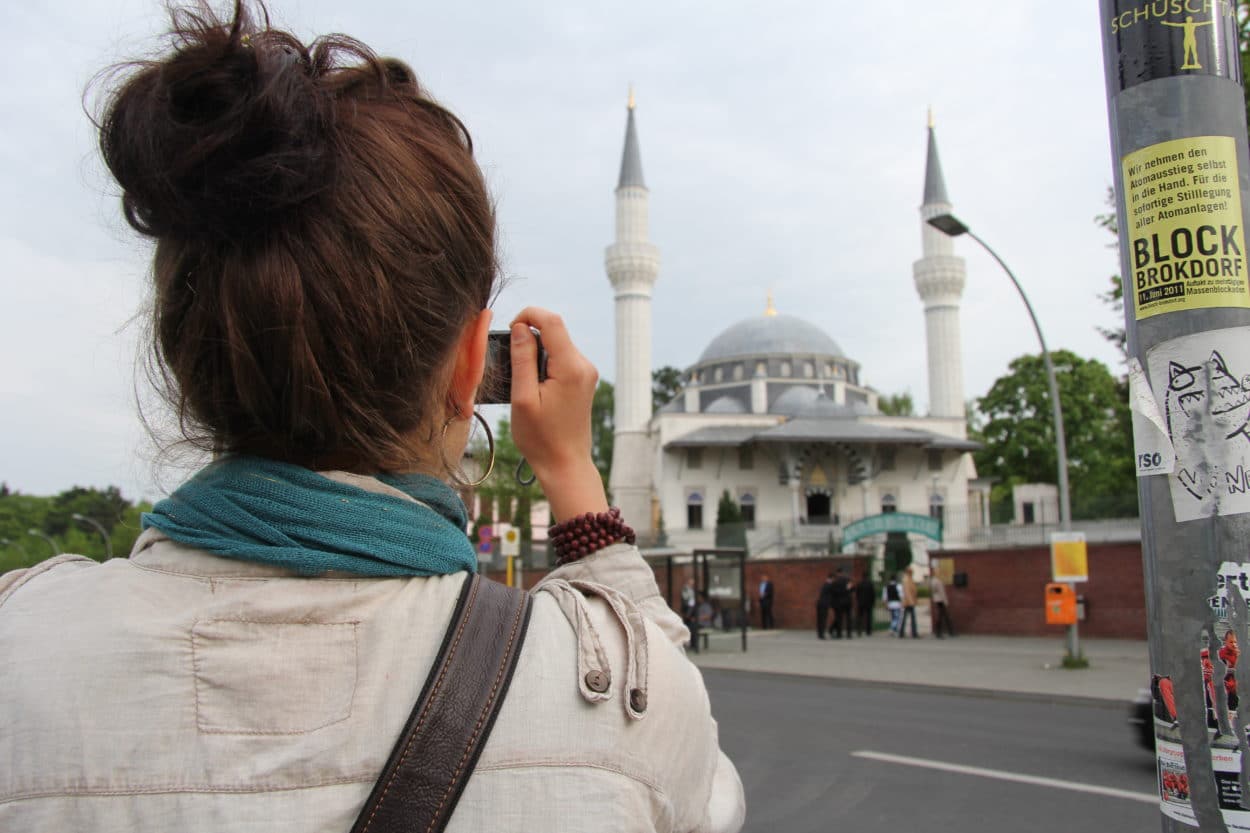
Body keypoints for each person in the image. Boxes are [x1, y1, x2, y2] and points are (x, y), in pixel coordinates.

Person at [0, 5, 744, 831]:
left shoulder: (19, 650)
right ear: (472, 364)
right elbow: (693, 777)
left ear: (186, 351)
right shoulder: (609, 706)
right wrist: (573, 476)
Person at [929, 567, 954, 638]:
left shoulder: (932, 581)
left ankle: (949, 631)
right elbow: (942, 592)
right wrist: (945, 601)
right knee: (942, 616)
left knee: (944, 615)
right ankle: (941, 632)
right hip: (941, 600)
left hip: (936, 599)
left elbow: (932, 591)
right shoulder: (938, 581)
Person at [829, 567, 853, 639]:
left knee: (839, 618)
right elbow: (852, 589)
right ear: (842, 573)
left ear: (837, 573)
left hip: (839, 602)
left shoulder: (835, 582)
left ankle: (839, 634)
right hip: (848, 601)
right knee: (849, 618)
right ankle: (849, 633)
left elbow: (833, 593)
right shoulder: (848, 580)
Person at [898, 569, 919, 638]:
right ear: (908, 572)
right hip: (908, 602)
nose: (912, 573)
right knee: (912, 618)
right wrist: (911, 602)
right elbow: (907, 592)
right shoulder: (907, 580)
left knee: (906, 617)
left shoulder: (910, 579)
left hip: (909, 601)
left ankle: (902, 632)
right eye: (911, 572)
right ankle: (914, 633)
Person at [854, 571, 875, 636]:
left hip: (861, 603)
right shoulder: (870, 584)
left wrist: (858, 600)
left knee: (860, 617)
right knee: (868, 617)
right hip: (868, 603)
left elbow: (857, 593)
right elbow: (873, 594)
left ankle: (859, 630)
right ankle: (868, 631)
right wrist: (872, 602)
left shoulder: (859, 584)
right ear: (867, 576)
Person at [816, 573, 834, 639]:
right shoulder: (829, 585)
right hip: (824, 604)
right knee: (823, 619)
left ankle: (819, 633)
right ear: (832, 578)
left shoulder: (824, 584)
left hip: (819, 603)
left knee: (819, 619)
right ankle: (822, 635)